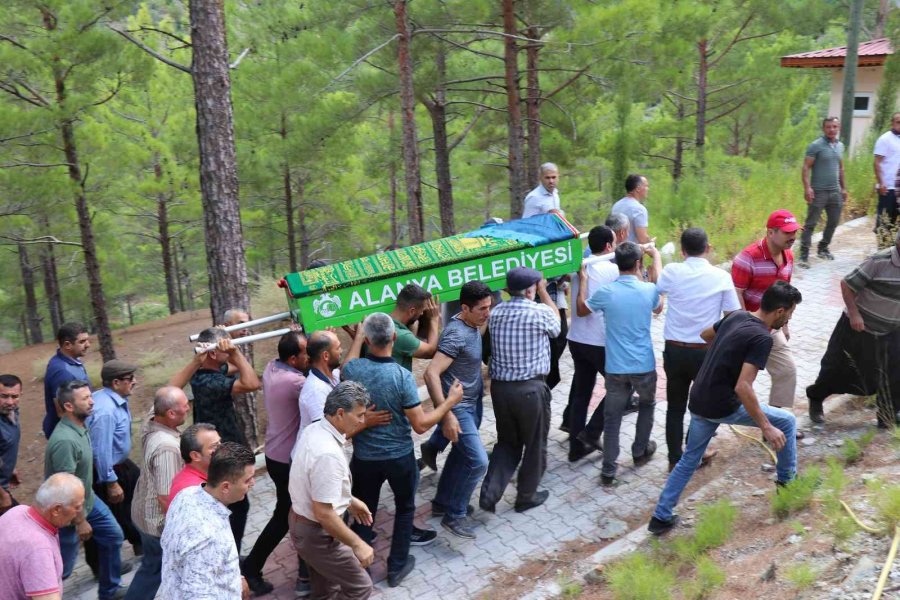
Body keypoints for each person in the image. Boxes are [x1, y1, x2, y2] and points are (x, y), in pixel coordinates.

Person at [648, 281, 802, 535]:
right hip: (722, 404)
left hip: (699, 397)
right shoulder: (762, 338)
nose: (787, 321)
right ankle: (788, 485)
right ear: (780, 311)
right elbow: (744, 387)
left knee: (689, 459)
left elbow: (705, 335)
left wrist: (726, 353)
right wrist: (766, 426)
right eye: (789, 315)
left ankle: (660, 517)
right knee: (785, 421)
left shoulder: (737, 316)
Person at [343, 312, 463, 587]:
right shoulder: (401, 376)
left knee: (364, 512)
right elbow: (420, 425)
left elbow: (347, 362)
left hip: (364, 459)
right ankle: (397, 566)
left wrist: (358, 336)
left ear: (368, 339)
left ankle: (360, 570)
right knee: (405, 508)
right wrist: (449, 402)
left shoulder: (353, 371)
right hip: (399, 458)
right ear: (394, 338)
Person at [576, 242, 663, 485]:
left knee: (612, 417)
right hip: (643, 363)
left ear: (616, 264)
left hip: (615, 366)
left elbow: (582, 310)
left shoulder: (606, 292)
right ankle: (640, 449)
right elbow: (659, 307)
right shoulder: (648, 290)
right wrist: (655, 258)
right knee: (647, 405)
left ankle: (609, 468)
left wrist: (582, 279)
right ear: (637, 264)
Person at [169, 327, 260, 552]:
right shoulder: (209, 382)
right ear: (211, 353)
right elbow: (251, 383)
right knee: (237, 505)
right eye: (222, 349)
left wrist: (229, 346)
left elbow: (234, 367)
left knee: (236, 504)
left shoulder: (208, 372)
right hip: (220, 452)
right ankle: (231, 556)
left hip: (219, 448)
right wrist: (236, 353)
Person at [657, 228, 741, 471]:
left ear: (682, 251)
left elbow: (658, 289)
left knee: (675, 406)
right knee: (702, 405)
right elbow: (732, 316)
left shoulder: (672, 271)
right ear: (709, 248)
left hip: (673, 350)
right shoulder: (721, 276)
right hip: (704, 352)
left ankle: (674, 459)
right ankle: (694, 454)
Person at [479, 267, 560, 513]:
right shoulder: (539, 312)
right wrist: (545, 293)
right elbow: (557, 326)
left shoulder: (495, 313)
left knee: (507, 443)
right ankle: (526, 496)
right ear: (529, 289)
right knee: (535, 444)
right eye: (535, 285)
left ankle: (489, 495)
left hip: (501, 390)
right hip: (530, 390)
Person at [289, 381, 375, 600]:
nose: (363, 421)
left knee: (325, 590)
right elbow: (324, 513)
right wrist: (358, 544)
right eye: (359, 415)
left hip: (305, 525)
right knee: (360, 587)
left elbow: (316, 484)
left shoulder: (314, 429)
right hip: (317, 532)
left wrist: (349, 500)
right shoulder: (327, 453)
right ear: (339, 413)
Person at [806, 228, 900, 428]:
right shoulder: (878, 261)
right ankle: (816, 399)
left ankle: (887, 416)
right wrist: (854, 313)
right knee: (835, 369)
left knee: (893, 374)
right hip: (857, 327)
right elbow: (846, 284)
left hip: (891, 330)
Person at [44, 380, 125, 600]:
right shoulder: (65, 441)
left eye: (91, 396)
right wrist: (80, 521)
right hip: (66, 511)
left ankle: (110, 591)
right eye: (85, 399)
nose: (92, 402)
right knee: (62, 567)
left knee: (113, 536)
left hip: (87, 499)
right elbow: (63, 488)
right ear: (69, 406)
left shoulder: (81, 425)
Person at [424, 280, 493, 539]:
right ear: (465, 308)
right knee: (477, 461)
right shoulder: (456, 333)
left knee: (460, 455)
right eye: (482, 309)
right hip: (458, 408)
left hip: (472, 403)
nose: (487, 313)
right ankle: (455, 515)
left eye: (489, 306)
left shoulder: (472, 322)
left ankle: (443, 502)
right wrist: (446, 414)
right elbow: (431, 373)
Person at [243, 331, 308, 597]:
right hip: (287, 460)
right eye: (306, 351)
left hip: (275, 455)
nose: (311, 354)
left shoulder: (273, 366)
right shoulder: (295, 381)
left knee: (289, 514)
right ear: (293, 359)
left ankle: (254, 566)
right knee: (296, 516)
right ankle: (254, 569)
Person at [731, 210, 802, 436]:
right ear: (771, 232)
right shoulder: (747, 258)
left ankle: (776, 421)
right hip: (746, 329)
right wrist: (743, 327)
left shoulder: (788, 256)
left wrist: (785, 325)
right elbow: (736, 295)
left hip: (771, 329)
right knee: (731, 380)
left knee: (786, 371)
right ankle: (704, 428)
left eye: (795, 232)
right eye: (788, 233)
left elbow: (786, 294)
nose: (793, 237)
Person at [160, 442, 254, 600]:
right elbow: (197, 594)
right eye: (247, 480)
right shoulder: (207, 536)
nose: (253, 484)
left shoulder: (187, 494)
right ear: (225, 487)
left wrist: (236, 577)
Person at [126, 387, 191, 600]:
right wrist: (180, 532)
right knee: (154, 571)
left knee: (152, 567)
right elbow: (166, 498)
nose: (189, 408)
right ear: (171, 413)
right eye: (184, 406)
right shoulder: (168, 449)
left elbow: (165, 395)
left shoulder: (152, 419)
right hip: (156, 523)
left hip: (142, 512)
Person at [565, 226, 619, 462]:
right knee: (621, 387)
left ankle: (576, 445)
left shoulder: (581, 266)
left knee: (582, 392)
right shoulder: (612, 270)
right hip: (598, 341)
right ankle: (592, 432)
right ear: (608, 246)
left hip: (576, 338)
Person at [86, 360, 143, 565]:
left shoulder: (112, 399)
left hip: (120, 463)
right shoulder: (105, 411)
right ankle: (104, 566)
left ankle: (140, 541)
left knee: (138, 492)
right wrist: (111, 481)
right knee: (112, 514)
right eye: (130, 379)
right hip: (107, 468)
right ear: (116, 382)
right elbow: (100, 450)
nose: (134, 382)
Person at [0, 473, 85, 600]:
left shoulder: (16, 512)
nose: (80, 511)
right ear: (56, 510)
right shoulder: (38, 550)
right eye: (77, 507)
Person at [799, 116, 847, 267]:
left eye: (834, 126)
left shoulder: (840, 146)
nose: (832, 129)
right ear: (823, 128)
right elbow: (806, 167)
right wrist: (807, 188)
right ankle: (803, 255)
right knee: (811, 224)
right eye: (828, 127)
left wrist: (843, 188)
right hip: (818, 192)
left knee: (833, 222)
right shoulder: (815, 146)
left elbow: (840, 168)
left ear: (838, 128)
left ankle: (823, 248)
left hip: (835, 192)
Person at [43, 322, 91, 438]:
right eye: (82, 341)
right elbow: (62, 412)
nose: (88, 345)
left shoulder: (72, 360)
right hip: (69, 437)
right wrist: (82, 436)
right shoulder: (62, 372)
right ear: (67, 345)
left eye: (87, 340)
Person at [224, 308, 260, 450]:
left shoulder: (232, 346)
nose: (245, 329)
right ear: (227, 326)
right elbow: (232, 368)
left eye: (247, 324)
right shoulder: (218, 348)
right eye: (240, 324)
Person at [386, 283, 441, 372]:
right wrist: (434, 319)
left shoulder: (380, 321)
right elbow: (430, 351)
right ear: (412, 311)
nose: (422, 314)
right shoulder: (401, 335)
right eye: (422, 310)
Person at [167, 423, 221, 506]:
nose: (222, 449)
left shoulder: (191, 476)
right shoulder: (195, 492)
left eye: (220, 442)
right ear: (195, 456)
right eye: (214, 446)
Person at [873, 112, 900, 248]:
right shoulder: (885, 139)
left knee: (896, 221)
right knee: (885, 219)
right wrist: (881, 182)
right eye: (898, 122)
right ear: (892, 123)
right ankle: (882, 249)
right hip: (888, 187)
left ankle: (893, 251)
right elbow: (877, 162)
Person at [0, 374, 22, 514]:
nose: (10, 402)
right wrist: (2, 496)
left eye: (14, 397)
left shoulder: (11, 413)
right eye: (4, 396)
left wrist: (9, 468)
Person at [611, 174, 651, 244]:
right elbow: (642, 240)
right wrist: (651, 242)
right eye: (646, 186)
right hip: (631, 252)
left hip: (616, 251)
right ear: (638, 188)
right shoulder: (639, 209)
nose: (648, 189)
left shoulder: (616, 206)